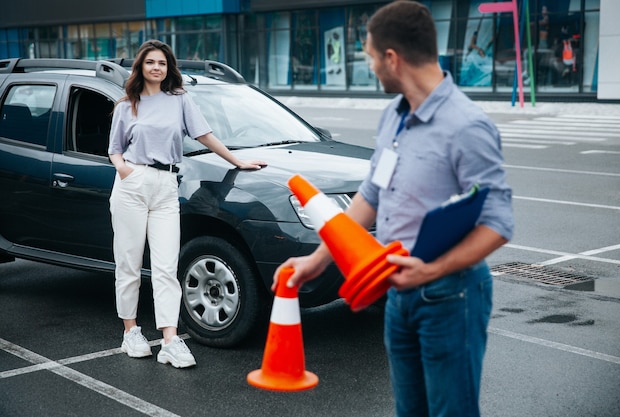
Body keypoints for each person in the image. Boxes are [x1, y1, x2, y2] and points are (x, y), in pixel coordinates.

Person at [273, 2, 513, 416]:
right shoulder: (394, 117)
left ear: (391, 58)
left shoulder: (467, 126)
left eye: (369, 56)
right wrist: (316, 261)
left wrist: (433, 270)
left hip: (450, 294)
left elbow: (498, 222)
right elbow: (370, 197)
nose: (370, 66)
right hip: (397, 292)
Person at [108, 39, 267, 368]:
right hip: (133, 184)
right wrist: (125, 170)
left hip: (166, 184)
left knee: (167, 267)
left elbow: (204, 134)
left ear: (169, 69)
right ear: (141, 67)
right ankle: (131, 332)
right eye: (151, 62)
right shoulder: (128, 105)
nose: (157, 68)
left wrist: (237, 161)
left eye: (163, 63)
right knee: (129, 264)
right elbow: (114, 149)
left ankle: (169, 340)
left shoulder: (179, 100)